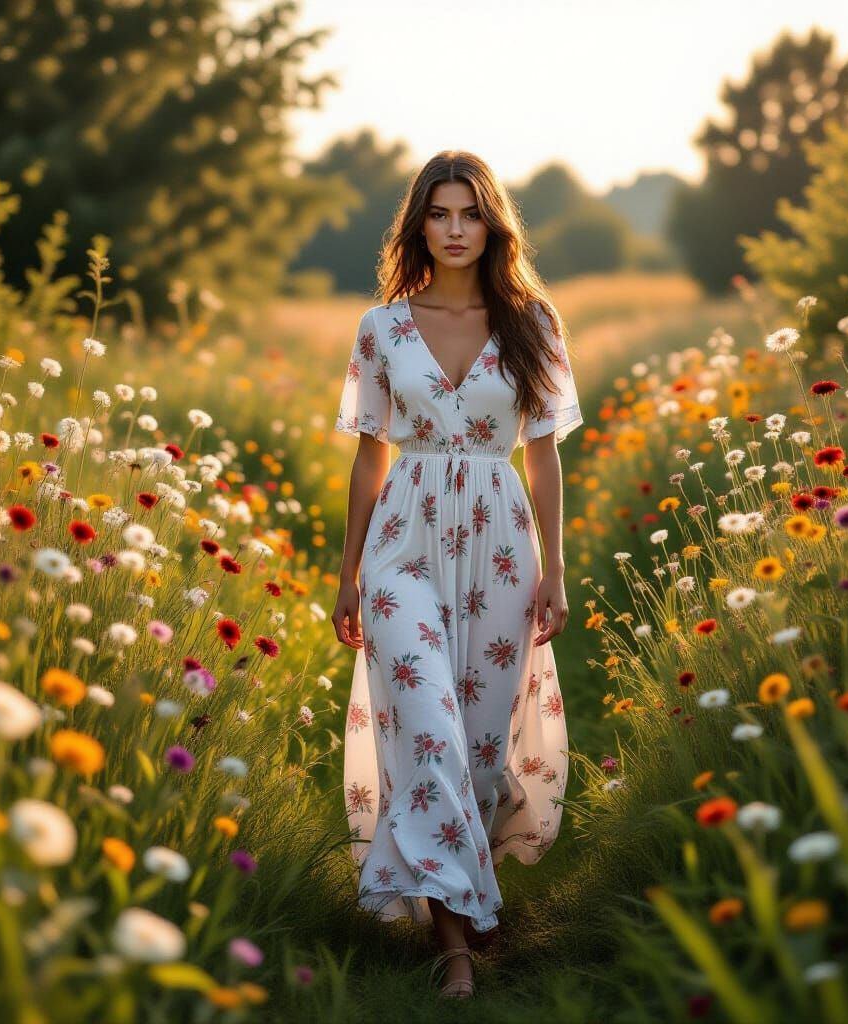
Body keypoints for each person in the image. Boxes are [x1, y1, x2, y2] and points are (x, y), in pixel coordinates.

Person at [331, 149, 583, 999]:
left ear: (492, 223)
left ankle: (471, 902)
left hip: (501, 547)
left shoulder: (534, 324)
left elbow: (543, 460)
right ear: (418, 225)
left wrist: (555, 568)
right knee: (428, 732)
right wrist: (347, 574)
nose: (455, 229)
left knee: (475, 747)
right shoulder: (382, 329)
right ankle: (459, 949)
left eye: (470, 213)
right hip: (401, 541)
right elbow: (369, 458)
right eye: (439, 214)